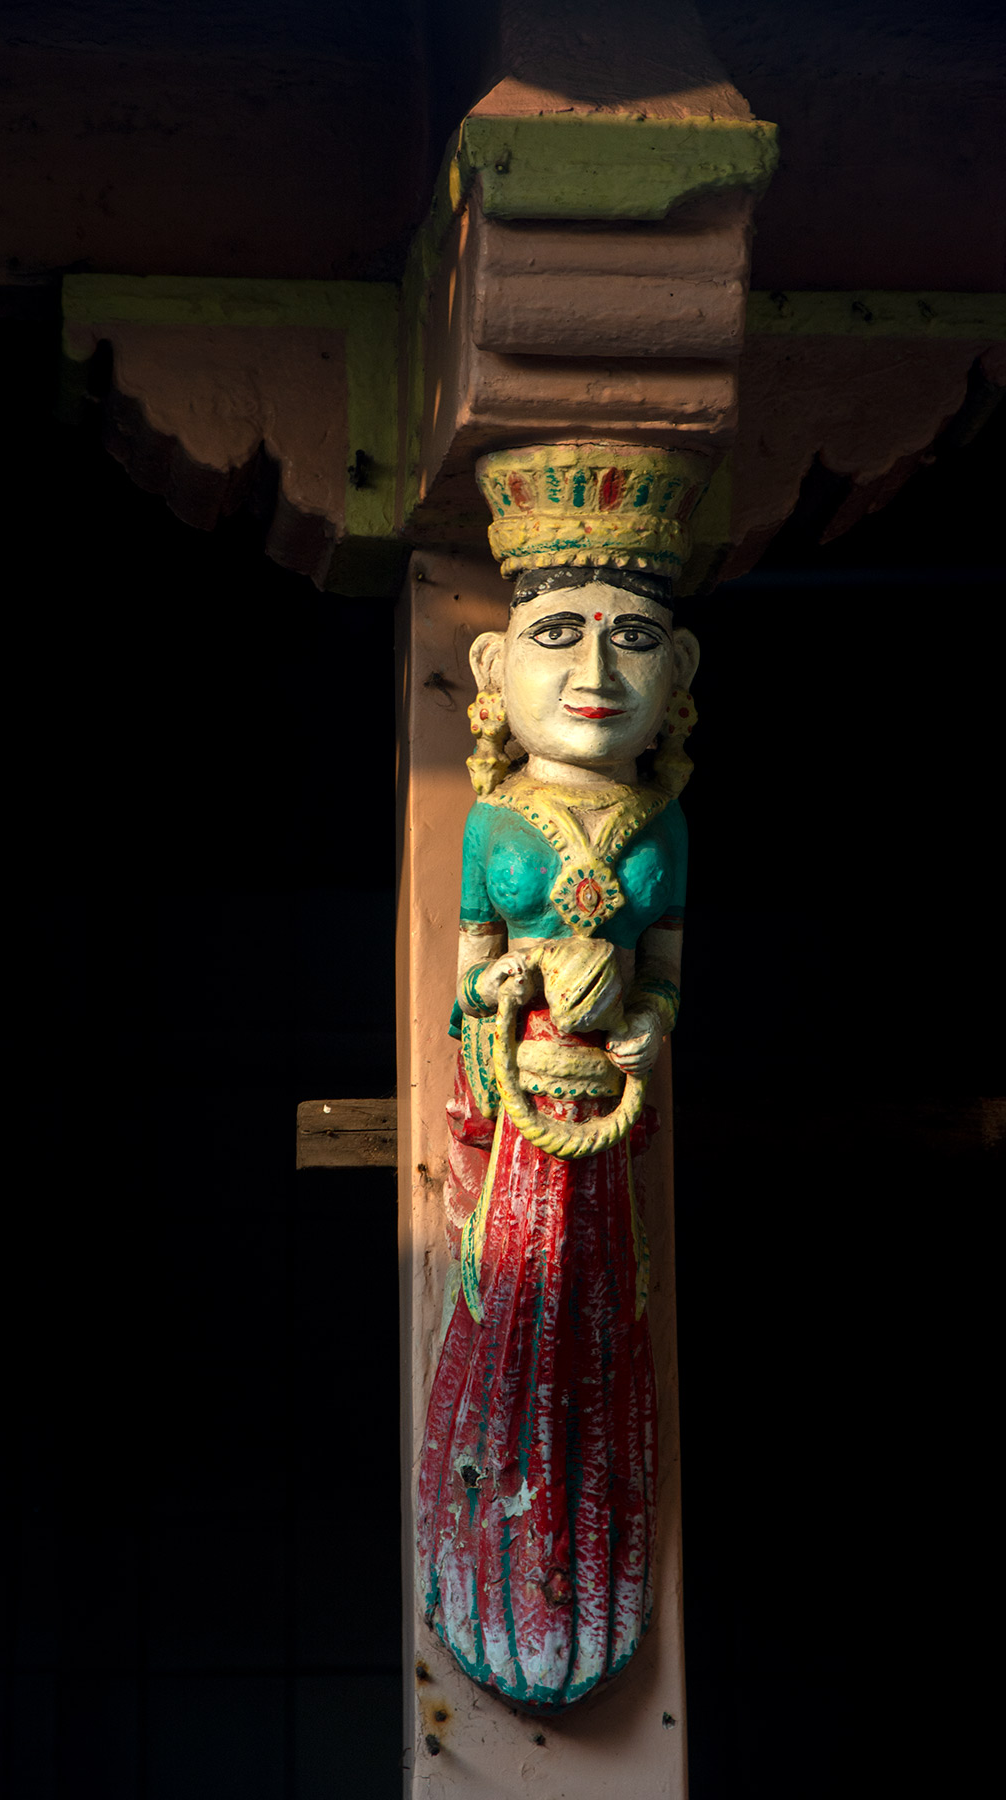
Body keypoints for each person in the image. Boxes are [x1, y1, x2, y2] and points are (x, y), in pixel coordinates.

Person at [416, 441, 705, 1711]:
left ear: (679, 670)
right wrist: (509, 994)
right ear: (493, 667)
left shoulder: (664, 826)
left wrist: (648, 1025)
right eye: (558, 635)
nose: (595, 674)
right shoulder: (495, 822)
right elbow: (469, 976)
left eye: (633, 640)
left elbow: (668, 969)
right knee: (514, 1314)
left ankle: (591, 1560)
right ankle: (499, 1551)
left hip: (606, 1123)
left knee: (603, 1320)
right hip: (523, 1119)